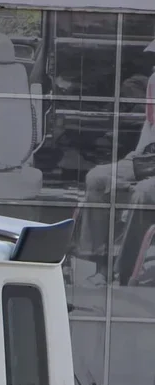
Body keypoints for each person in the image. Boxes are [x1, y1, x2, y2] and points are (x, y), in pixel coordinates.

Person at [76, 40, 155, 276]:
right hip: (148, 157)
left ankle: (124, 272)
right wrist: (138, 157)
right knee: (97, 178)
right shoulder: (153, 81)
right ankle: (97, 263)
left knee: (143, 193)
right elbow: (149, 125)